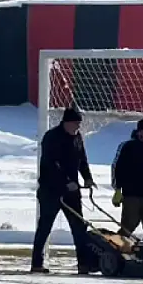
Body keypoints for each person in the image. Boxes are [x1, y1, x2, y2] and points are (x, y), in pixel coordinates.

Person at [30, 106, 96, 274]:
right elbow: (50, 164)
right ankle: (37, 263)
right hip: (50, 190)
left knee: (79, 227)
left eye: (79, 124)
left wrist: (87, 178)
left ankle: (84, 264)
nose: (78, 127)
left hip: (72, 192)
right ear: (66, 122)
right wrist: (66, 182)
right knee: (45, 226)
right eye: (75, 123)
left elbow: (82, 160)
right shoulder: (52, 137)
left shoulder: (77, 138)